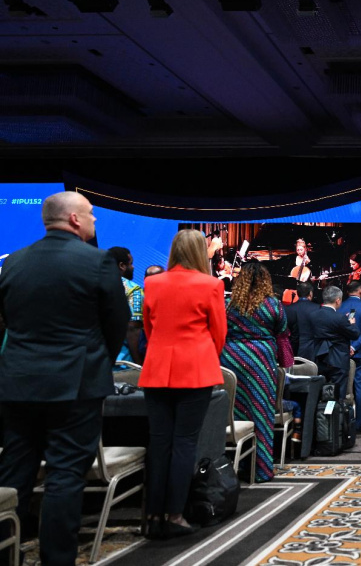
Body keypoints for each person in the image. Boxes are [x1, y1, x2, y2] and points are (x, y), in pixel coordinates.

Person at [0, 191, 129, 565]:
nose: (94, 220)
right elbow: (117, 322)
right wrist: (98, 362)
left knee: (14, 475)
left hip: (18, 382)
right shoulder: (98, 261)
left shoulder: (14, 262)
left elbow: (6, 319)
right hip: (75, 385)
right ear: (74, 219)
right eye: (91, 214)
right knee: (65, 475)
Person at [138, 229, 226, 539]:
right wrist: (204, 356)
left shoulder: (153, 283)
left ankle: (153, 515)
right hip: (196, 370)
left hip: (157, 370)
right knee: (185, 443)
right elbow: (219, 334)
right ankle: (175, 515)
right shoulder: (211, 284)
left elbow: (148, 328)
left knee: (159, 442)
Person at [220, 262, 288, 483]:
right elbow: (282, 333)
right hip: (261, 359)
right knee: (261, 410)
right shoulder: (273, 305)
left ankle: (229, 468)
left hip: (231, 357)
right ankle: (261, 470)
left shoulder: (228, 305)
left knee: (233, 409)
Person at [308, 286, 359, 397]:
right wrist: (351, 323)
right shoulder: (340, 318)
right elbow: (354, 334)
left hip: (319, 358)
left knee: (320, 393)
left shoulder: (313, 315)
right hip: (338, 359)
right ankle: (333, 409)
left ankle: (322, 409)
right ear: (338, 300)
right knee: (338, 394)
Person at [339, 280, 361, 431]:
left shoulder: (339, 306)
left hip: (342, 352)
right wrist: (355, 346)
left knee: (342, 386)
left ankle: (340, 422)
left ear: (347, 292)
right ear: (360, 291)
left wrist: (348, 346)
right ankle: (359, 423)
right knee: (360, 388)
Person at [108, 246, 144, 366]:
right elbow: (133, 328)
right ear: (122, 266)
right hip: (124, 362)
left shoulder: (91, 285)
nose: (133, 267)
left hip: (97, 361)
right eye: (131, 263)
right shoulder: (133, 290)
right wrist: (138, 363)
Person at [284, 281, 317, 356]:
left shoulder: (288, 309)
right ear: (310, 293)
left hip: (291, 348)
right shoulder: (318, 309)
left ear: (297, 293)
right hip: (310, 350)